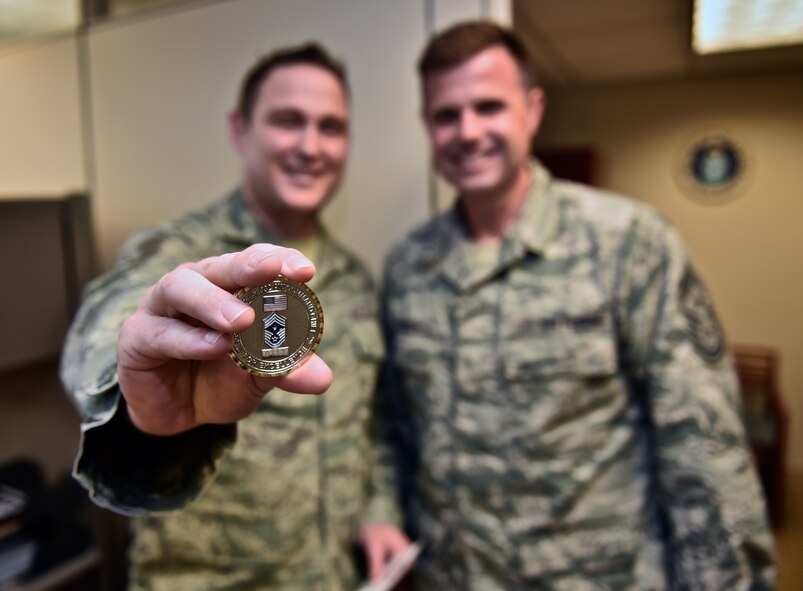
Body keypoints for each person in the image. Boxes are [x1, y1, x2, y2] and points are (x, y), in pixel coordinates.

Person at [381, 21, 775, 589]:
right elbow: (396, 432)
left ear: (533, 110)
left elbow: (704, 451)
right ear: (428, 126)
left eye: (489, 106)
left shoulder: (629, 242)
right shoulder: (408, 266)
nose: (467, 131)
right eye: (447, 114)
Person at [60, 43, 409, 590]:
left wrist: (379, 510)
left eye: (331, 127)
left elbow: (374, 424)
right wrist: (132, 377)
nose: (310, 146)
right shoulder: (179, 253)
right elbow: (113, 319)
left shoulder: (357, 278)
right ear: (239, 130)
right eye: (288, 121)